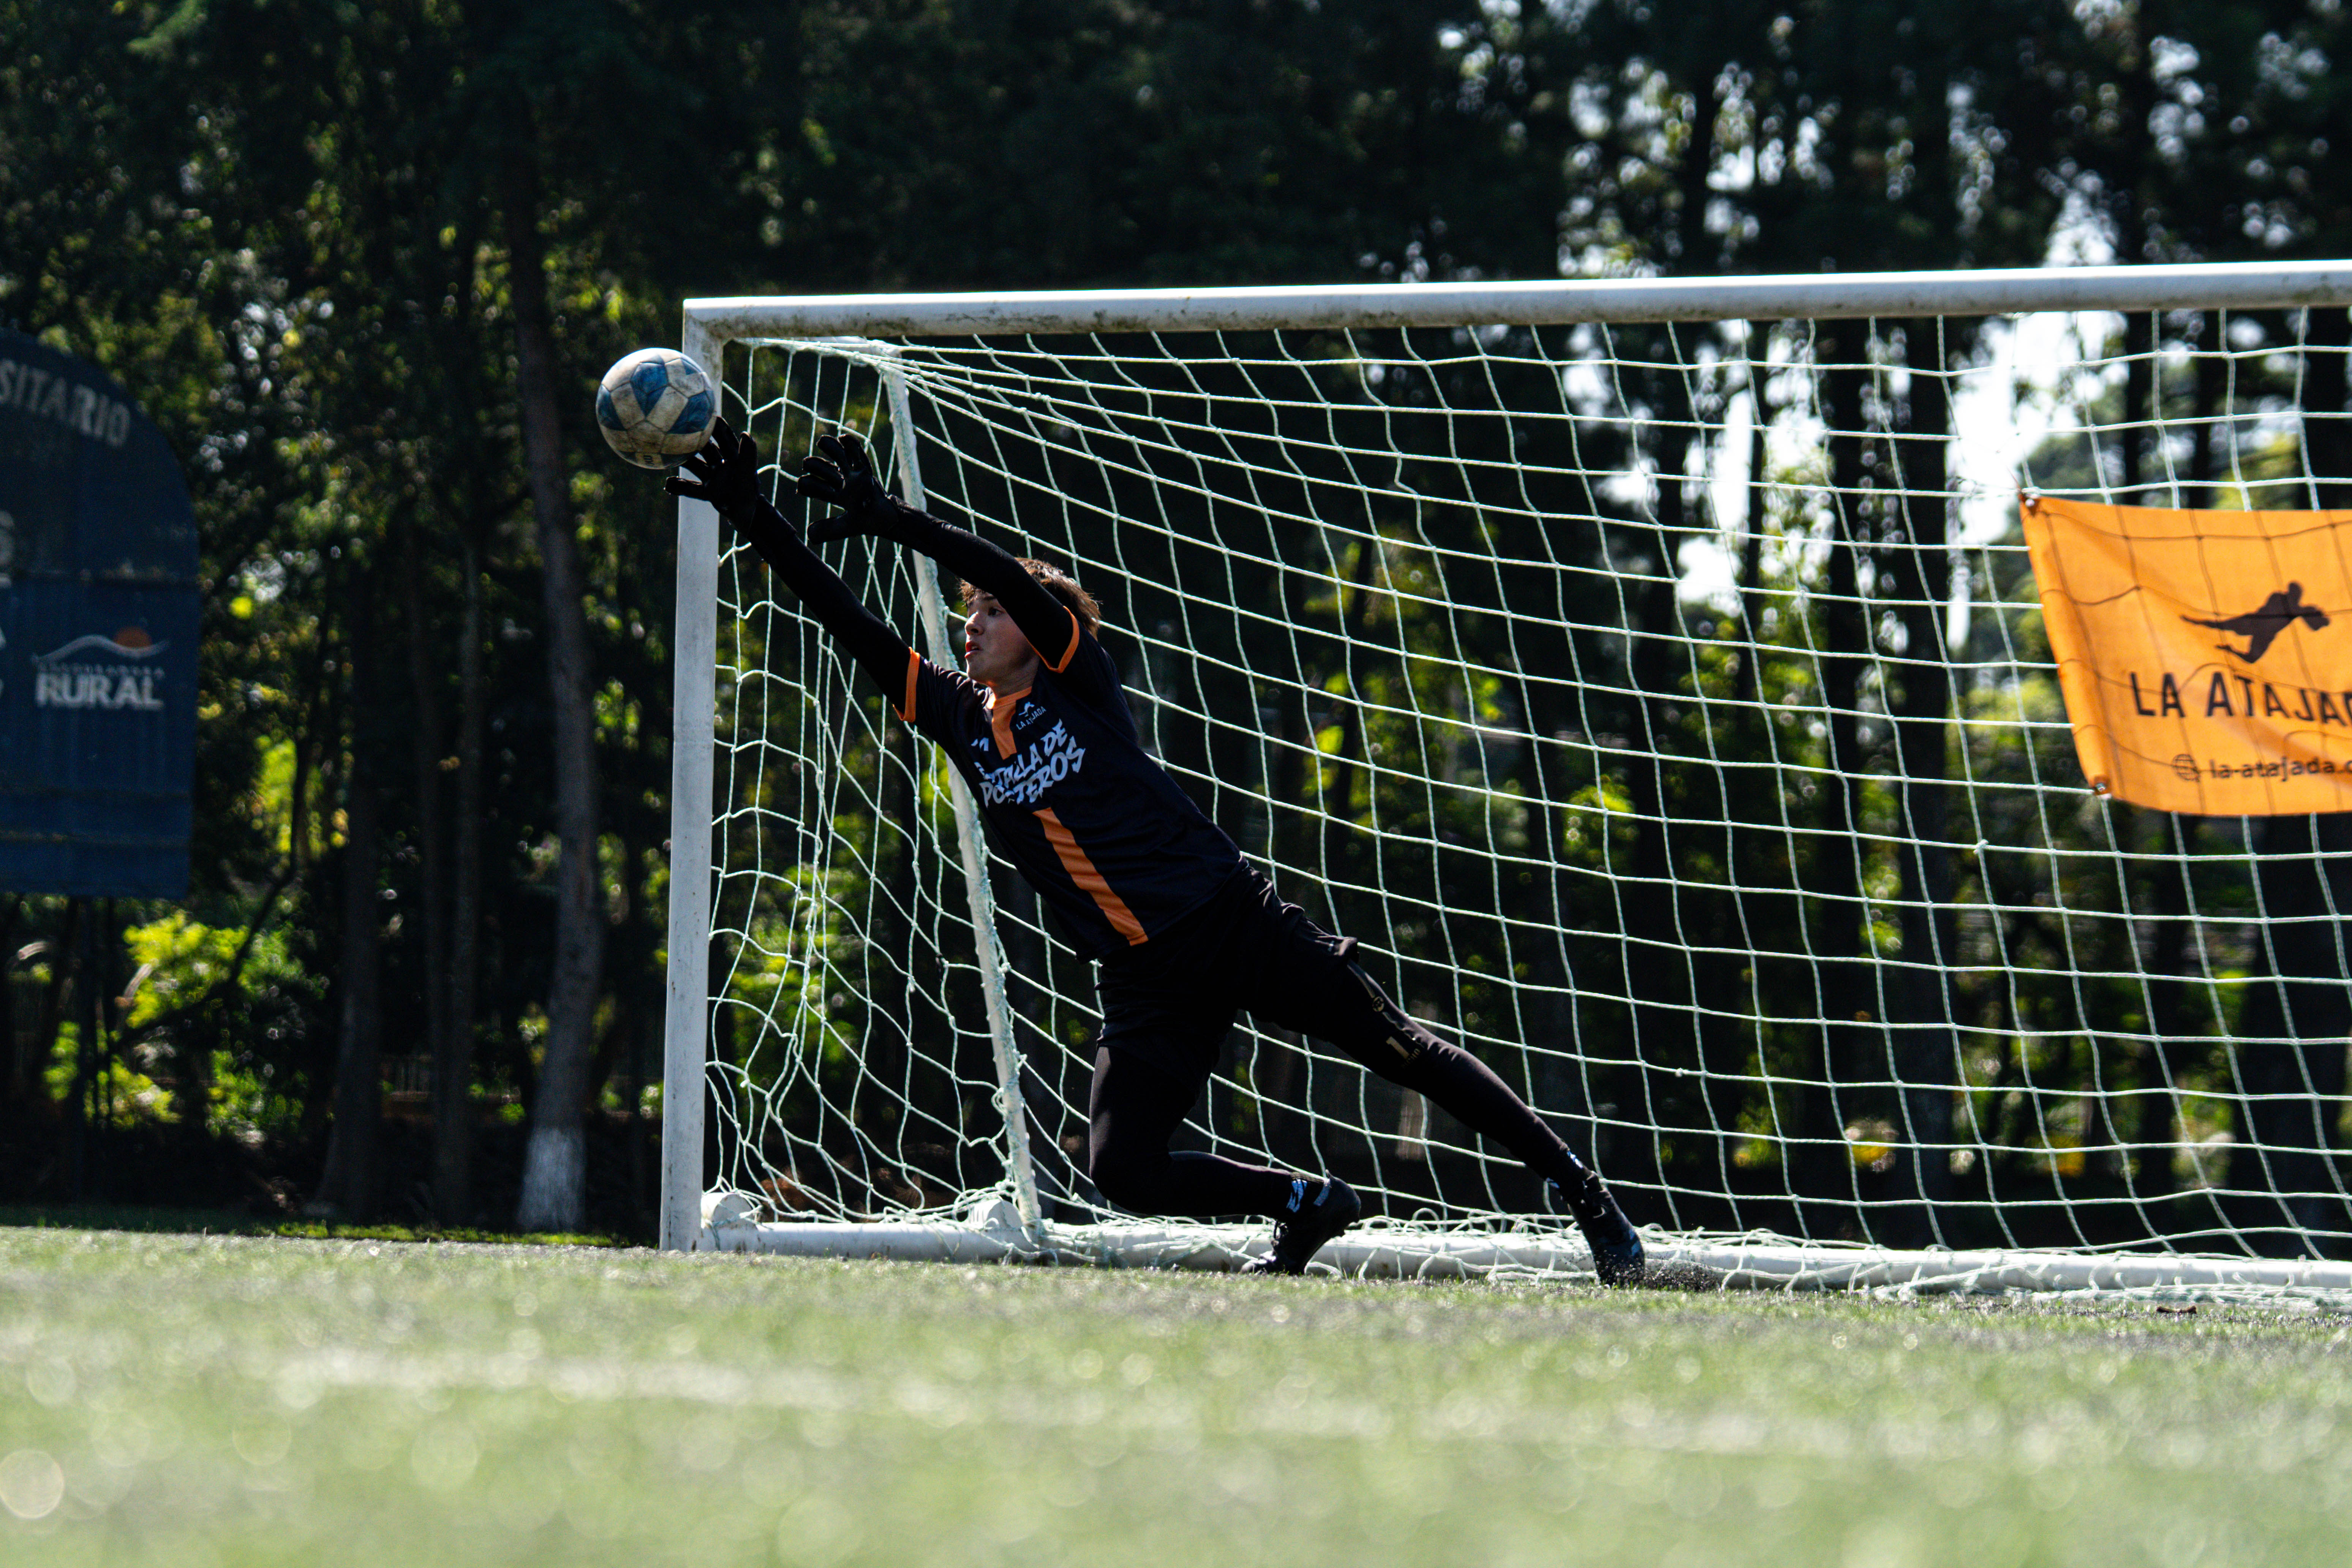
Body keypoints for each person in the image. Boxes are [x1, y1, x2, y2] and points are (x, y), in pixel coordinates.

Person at [667, 418, 1645, 1284]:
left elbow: (1010, 574)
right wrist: (756, 516)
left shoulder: (1076, 676)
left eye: (991, 612)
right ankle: (1307, 1202)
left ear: (1042, 631)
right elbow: (851, 625)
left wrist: (892, 519)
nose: (972, 623)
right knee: (1123, 1171)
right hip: (1144, 976)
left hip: (1228, 919)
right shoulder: (961, 719)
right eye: (969, 613)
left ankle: (1586, 1195)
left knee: (1402, 1050)